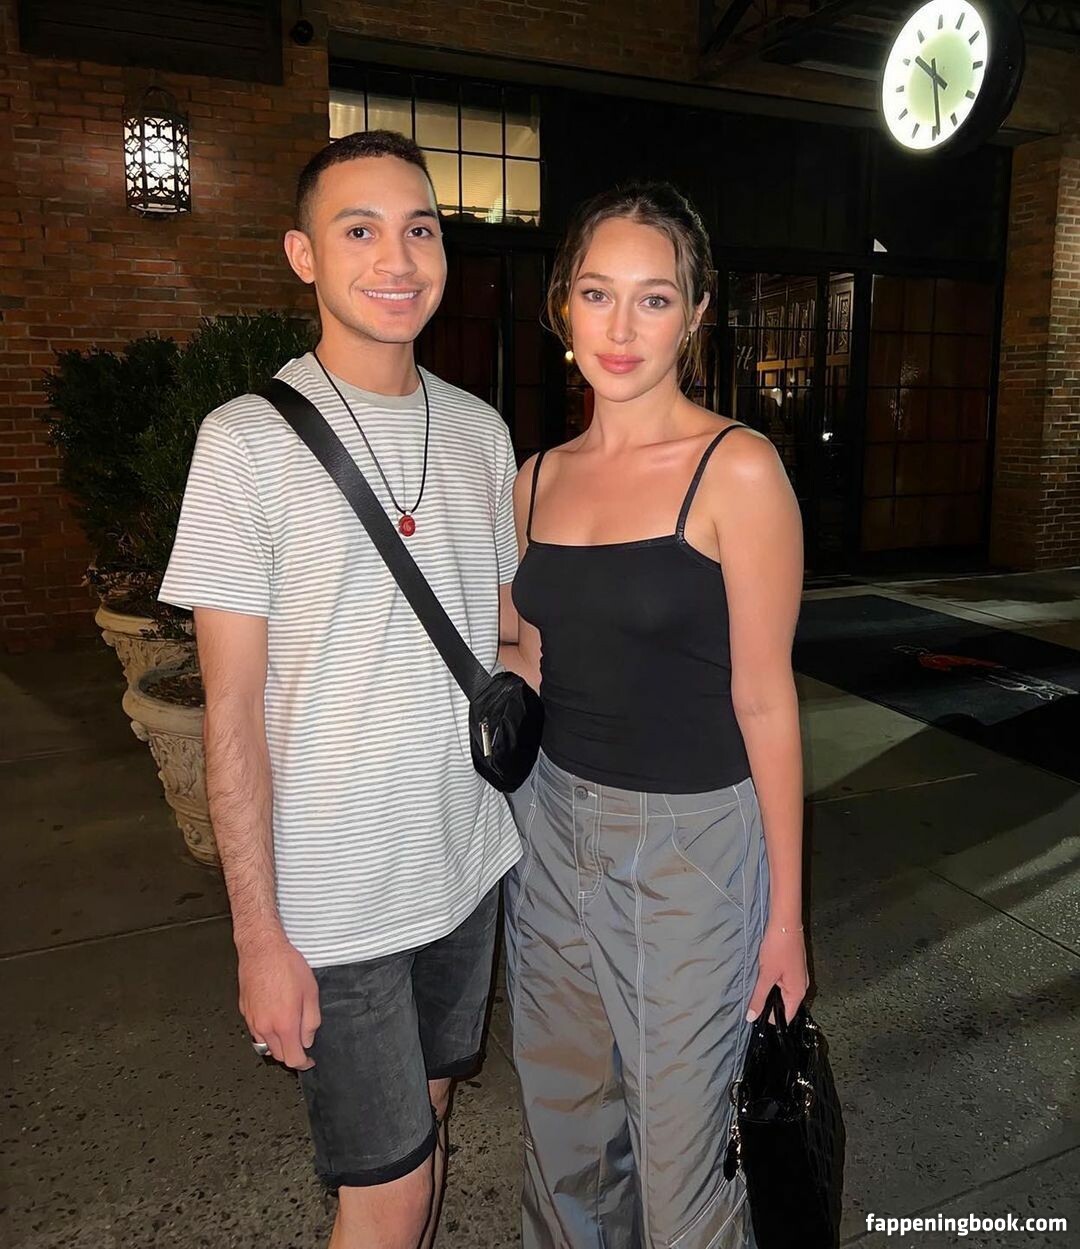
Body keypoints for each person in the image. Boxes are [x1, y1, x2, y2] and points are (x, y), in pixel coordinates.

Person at [159, 130, 521, 1249]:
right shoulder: (243, 444)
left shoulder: (480, 431)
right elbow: (229, 712)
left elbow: (508, 632)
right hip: (333, 900)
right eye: (359, 230)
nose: (396, 259)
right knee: (390, 1188)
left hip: (466, 863)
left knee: (432, 1115)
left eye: (420, 230)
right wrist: (257, 936)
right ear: (303, 255)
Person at [499, 182, 809, 1248]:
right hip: (549, 829)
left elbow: (765, 697)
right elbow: (527, 654)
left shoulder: (739, 470)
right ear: (563, 306)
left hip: (689, 847)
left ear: (696, 313)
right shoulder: (534, 480)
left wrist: (785, 919)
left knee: (686, 1175)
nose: (621, 328)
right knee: (564, 1143)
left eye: (654, 297)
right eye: (597, 293)